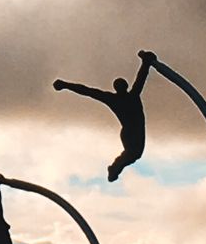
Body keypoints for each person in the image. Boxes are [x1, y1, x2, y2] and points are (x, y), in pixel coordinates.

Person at [54, 49, 157, 179]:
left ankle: (115, 167)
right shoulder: (127, 97)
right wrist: (65, 85)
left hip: (132, 131)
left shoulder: (124, 97)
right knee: (133, 154)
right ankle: (115, 168)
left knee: (133, 155)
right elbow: (87, 91)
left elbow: (141, 77)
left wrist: (146, 62)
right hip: (131, 131)